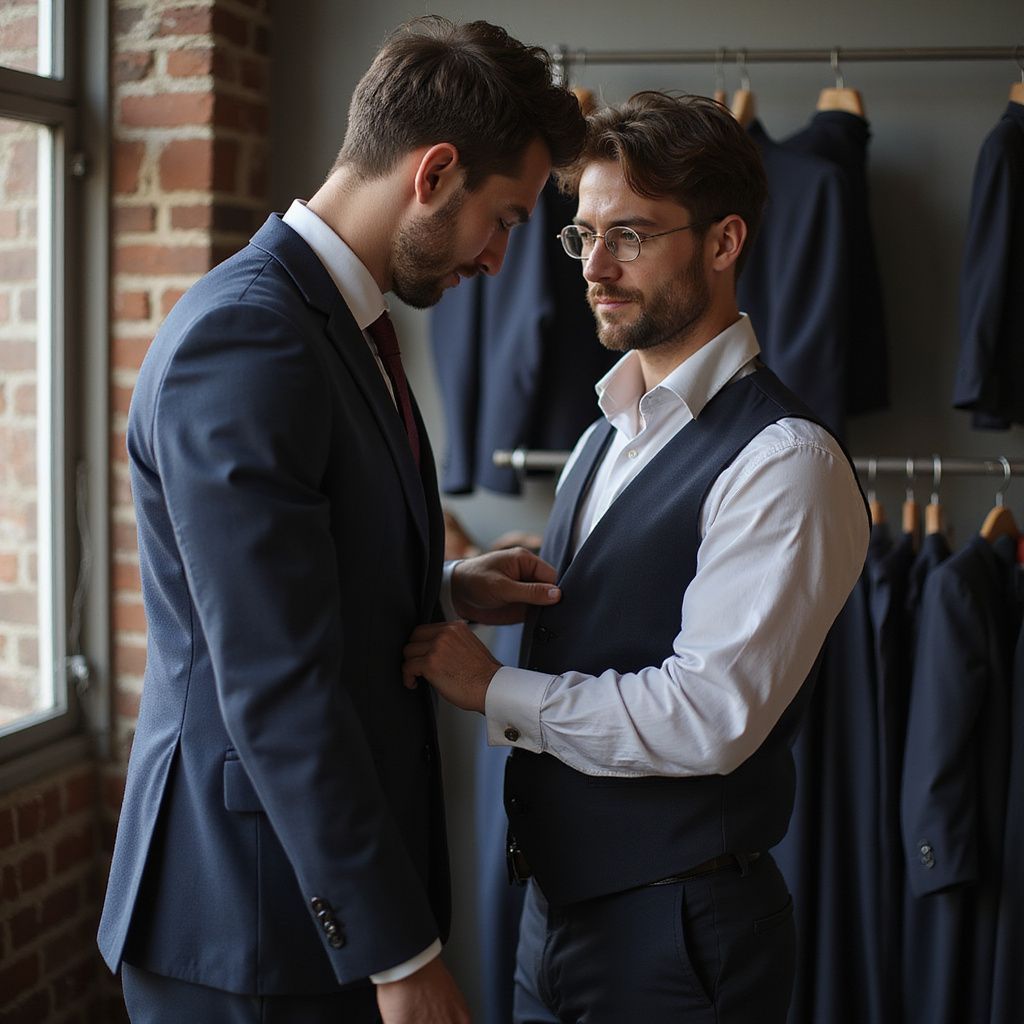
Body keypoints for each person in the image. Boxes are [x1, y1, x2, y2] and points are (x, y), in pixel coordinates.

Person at [97, 17, 585, 1024]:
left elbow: (297, 585)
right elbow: (273, 678)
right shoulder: (247, 336)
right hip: (248, 914)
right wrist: (400, 952)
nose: (499, 259)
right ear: (434, 171)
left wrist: (446, 585)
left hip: (300, 901)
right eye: (504, 218)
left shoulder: (344, 321)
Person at [403, 92, 870, 1023]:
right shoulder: (603, 436)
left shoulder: (785, 460)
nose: (597, 269)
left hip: (680, 940)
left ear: (724, 241)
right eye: (582, 238)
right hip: (553, 918)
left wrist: (493, 689)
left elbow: (709, 715)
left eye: (632, 236)